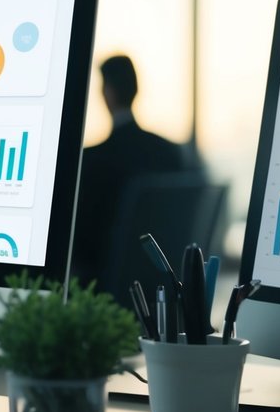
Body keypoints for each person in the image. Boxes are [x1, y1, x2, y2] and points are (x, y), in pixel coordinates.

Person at [72, 55, 194, 289]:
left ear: (107, 93)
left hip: (106, 288)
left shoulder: (92, 160)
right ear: (135, 89)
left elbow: (82, 244)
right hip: (164, 288)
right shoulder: (171, 154)